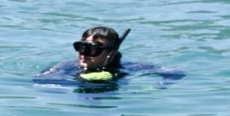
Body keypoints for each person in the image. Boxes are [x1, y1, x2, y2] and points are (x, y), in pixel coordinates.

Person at [34, 26, 182, 86]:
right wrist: (75, 80)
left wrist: (158, 86)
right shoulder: (67, 67)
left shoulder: (130, 68)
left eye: (91, 50)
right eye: (81, 47)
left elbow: (176, 73)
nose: (83, 54)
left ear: (110, 53)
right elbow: (41, 81)